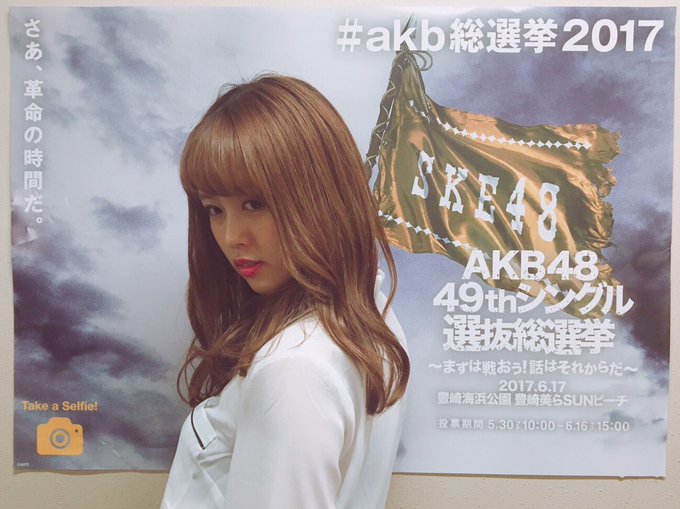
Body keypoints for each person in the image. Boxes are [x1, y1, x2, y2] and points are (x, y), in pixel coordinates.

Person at [160, 75, 409, 509]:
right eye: (214, 209)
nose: (231, 236)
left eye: (254, 204)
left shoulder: (293, 368)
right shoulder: (367, 313)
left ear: (318, 197)